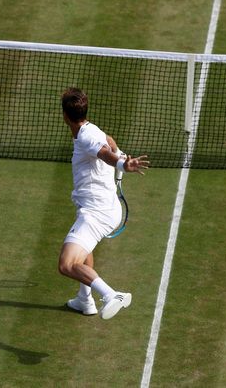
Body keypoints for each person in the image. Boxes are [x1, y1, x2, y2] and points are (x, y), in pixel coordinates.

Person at [58, 87, 149, 319]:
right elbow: (108, 141)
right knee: (84, 251)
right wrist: (119, 166)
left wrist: (121, 165)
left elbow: (103, 152)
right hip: (106, 209)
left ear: (65, 116)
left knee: (67, 264)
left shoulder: (87, 136)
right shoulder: (91, 129)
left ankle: (111, 294)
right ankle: (84, 300)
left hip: (96, 213)